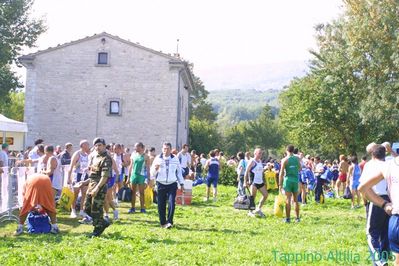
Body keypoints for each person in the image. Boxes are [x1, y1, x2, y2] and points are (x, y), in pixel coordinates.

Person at [358, 144, 392, 266]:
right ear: (385, 154)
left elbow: (363, 186)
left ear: (372, 154)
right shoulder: (389, 164)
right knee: (385, 231)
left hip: (376, 198)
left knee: (372, 232)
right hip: (390, 200)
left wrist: (365, 200)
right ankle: (384, 257)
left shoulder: (369, 165)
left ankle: (379, 261)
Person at [80, 138, 112, 237]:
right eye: (96, 145)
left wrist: (97, 188)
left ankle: (97, 229)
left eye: (100, 145)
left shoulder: (106, 158)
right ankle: (103, 222)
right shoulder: (95, 157)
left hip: (100, 187)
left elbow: (104, 177)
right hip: (91, 185)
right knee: (87, 208)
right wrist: (85, 182)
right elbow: (93, 175)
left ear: (104, 145)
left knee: (96, 209)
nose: (97, 147)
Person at [150, 142, 184, 228]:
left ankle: (170, 222)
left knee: (171, 202)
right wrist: (155, 169)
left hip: (172, 184)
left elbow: (179, 172)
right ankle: (163, 223)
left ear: (170, 149)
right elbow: (152, 173)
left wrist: (182, 183)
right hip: (161, 183)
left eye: (167, 149)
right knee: (161, 204)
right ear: (162, 149)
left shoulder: (175, 159)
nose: (165, 150)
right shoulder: (158, 158)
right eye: (164, 148)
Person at [67, 140, 90, 218]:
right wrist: (69, 177)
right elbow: (71, 166)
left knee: (84, 193)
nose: (88, 146)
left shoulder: (87, 155)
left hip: (85, 175)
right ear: (83, 145)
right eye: (87, 144)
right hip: (77, 175)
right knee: (75, 193)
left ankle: (81, 210)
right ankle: (73, 210)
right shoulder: (77, 154)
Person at [279, 145, 301, 223]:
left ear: (286, 150)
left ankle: (288, 219)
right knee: (296, 200)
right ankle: (297, 218)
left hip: (288, 180)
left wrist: (280, 185)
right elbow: (300, 168)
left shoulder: (284, 160)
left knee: (288, 199)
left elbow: (281, 173)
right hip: (295, 180)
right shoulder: (297, 158)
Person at [245, 148, 268, 218]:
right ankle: (250, 211)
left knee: (265, 195)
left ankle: (258, 208)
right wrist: (245, 182)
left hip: (260, 182)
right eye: (259, 153)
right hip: (253, 182)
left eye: (261, 153)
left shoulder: (260, 161)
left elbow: (260, 170)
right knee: (252, 197)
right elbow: (246, 171)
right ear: (255, 153)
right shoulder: (252, 161)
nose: (261, 154)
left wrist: (266, 168)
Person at [128, 142, 150, 213]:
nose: (135, 148)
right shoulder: (133, 155)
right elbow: (130, 166)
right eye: (135, 147)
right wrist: (128, 177)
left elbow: (148, 168)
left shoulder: (146, 156)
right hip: (134, 175)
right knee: (133, 192)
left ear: (141, 147)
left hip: (141, 176)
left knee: (141, 192)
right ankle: (132, 208)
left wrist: (148, 178)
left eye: (136, 147)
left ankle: (142, 208)